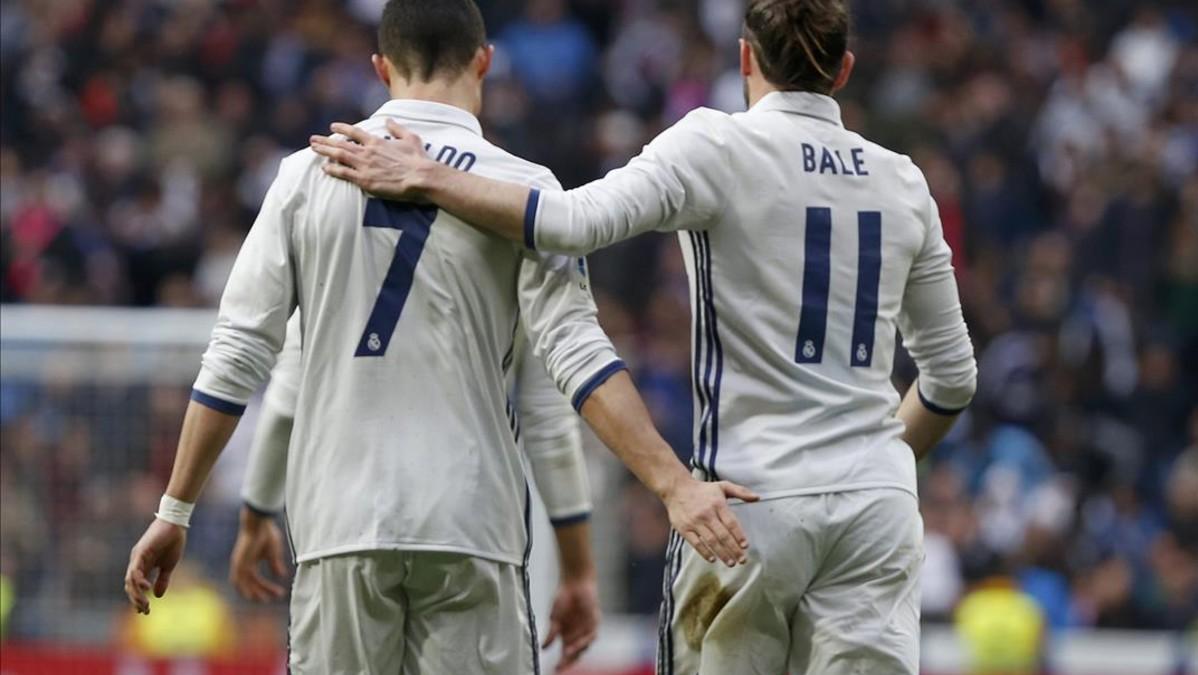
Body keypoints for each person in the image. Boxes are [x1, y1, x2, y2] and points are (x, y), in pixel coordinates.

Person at [308, 0, 978, 672]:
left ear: (746, 57)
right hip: (877, 512)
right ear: (844, 71)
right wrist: (869, 466)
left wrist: (429, 175)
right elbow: (952, 377)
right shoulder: (904, 182)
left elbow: (569, 221)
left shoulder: (716, 146)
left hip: (751, 506)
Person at [122, 1, 757, 673]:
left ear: (381, 66)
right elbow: (574, 364)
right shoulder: (522, 190)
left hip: (340, 521)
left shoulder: (308, 174)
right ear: (483, 60)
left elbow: (238, 355)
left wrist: (176, 508)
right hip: (470, 522)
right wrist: (673, 484)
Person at [228, 314, 603, 670]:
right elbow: (549, 423)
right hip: (469, 524)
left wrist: (256, 515)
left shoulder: (322, 248)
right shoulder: (526, 249)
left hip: (344, 523)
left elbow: (284, 406)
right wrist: (577, 569)